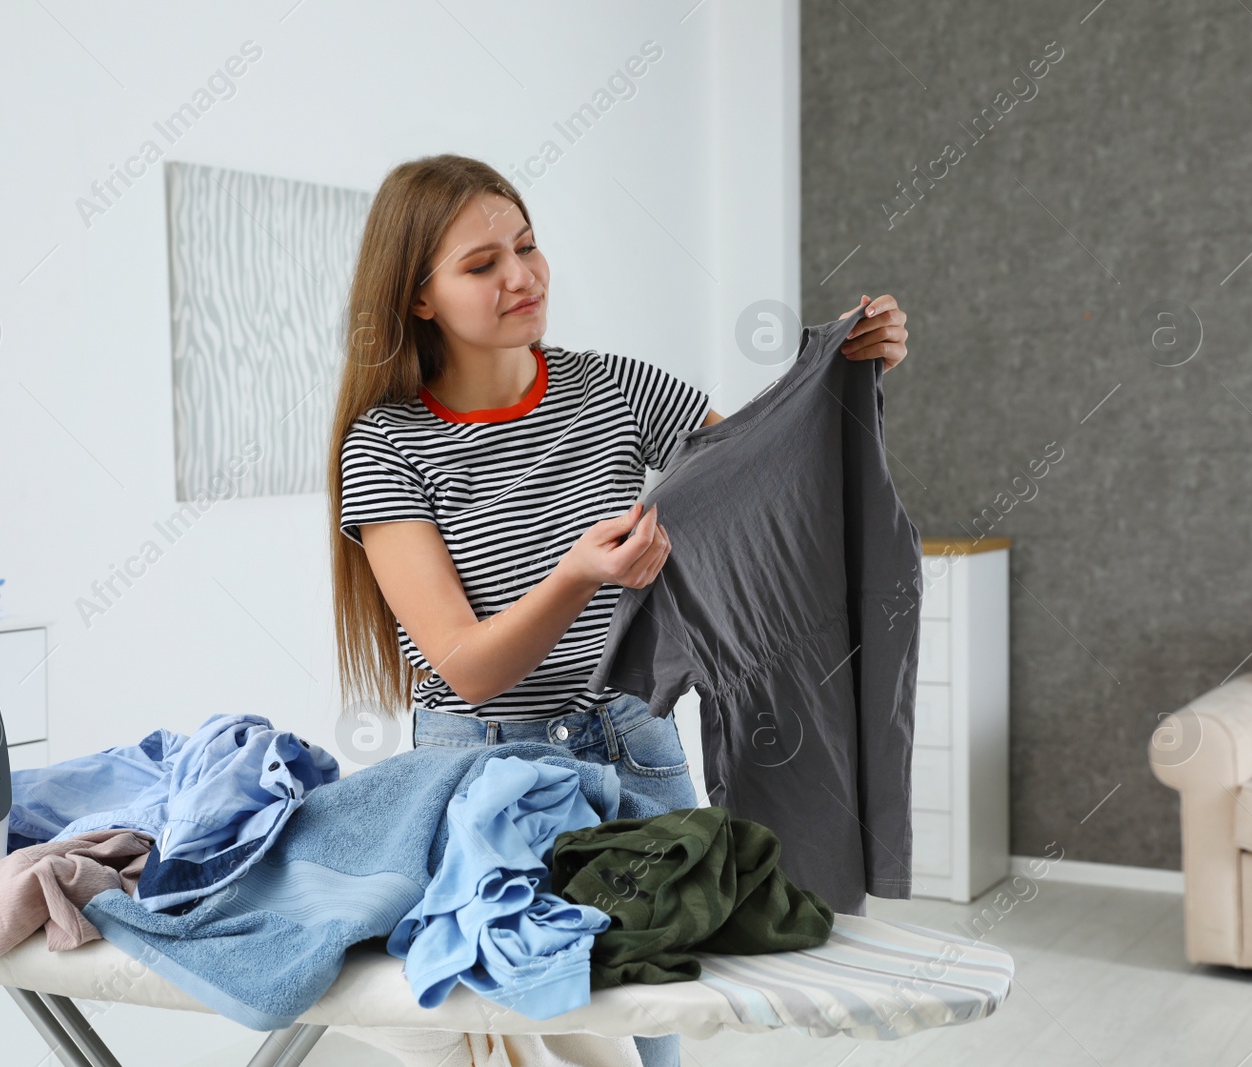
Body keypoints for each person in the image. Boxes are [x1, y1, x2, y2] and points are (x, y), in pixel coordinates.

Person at [327, 152, 907, 1067]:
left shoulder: (617, 388)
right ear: (419, 297)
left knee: (660, 1021)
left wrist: (843, 377)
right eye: (481, 265)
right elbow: (464, 666)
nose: (520, 276)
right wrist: (575, 576)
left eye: (526, 246)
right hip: (487, 773)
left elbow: (765, 474)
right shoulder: (388, 445)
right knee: (556, 1026)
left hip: (631, 744)